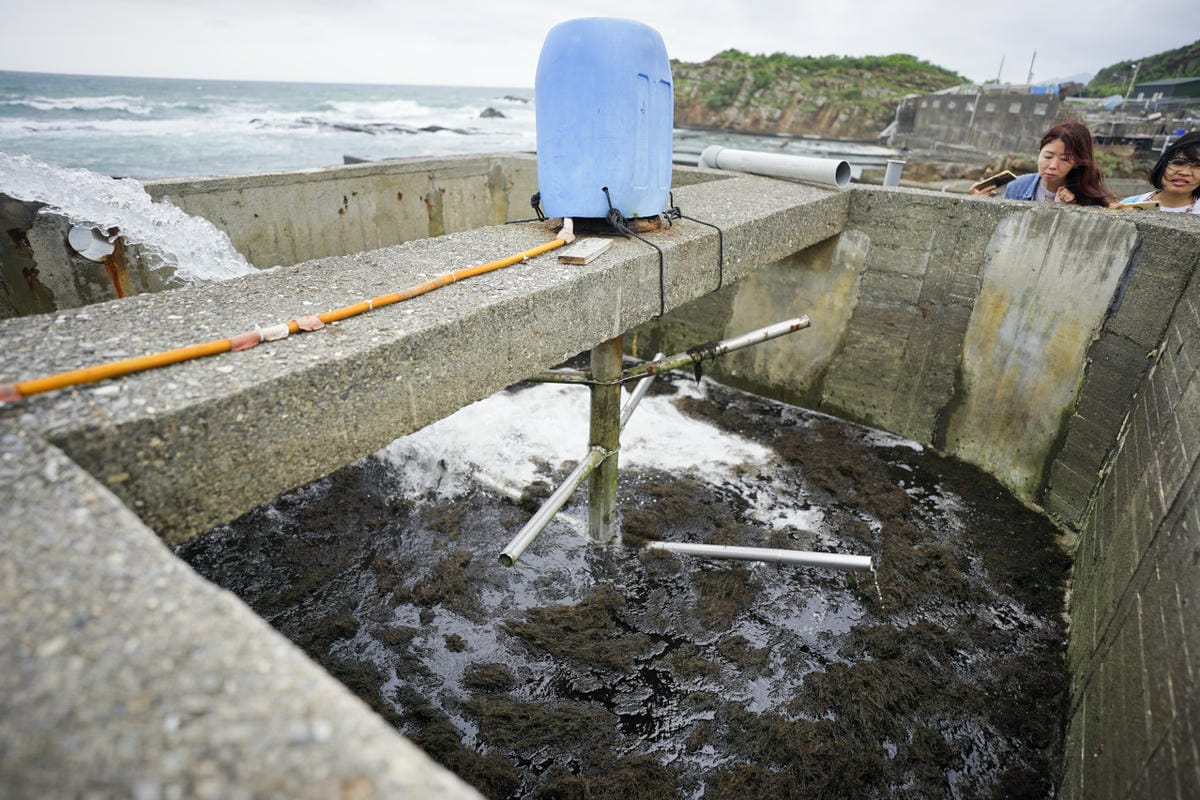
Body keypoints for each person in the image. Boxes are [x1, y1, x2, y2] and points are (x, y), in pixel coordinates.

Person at [971, 121, 1116, 207]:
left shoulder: (1087, 200)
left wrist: (1065, 209)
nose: (1053, 165)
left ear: (1077, 163)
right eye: (1048, 156)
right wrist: (978, 204)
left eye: (1065, 159)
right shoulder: (1017, 187)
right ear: (1039, 152)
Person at [1117, 131, 1200, 214]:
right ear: (1163, 164)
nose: (1185, 172)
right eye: (1178, 162)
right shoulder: (1129, 204)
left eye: (1198, 165)